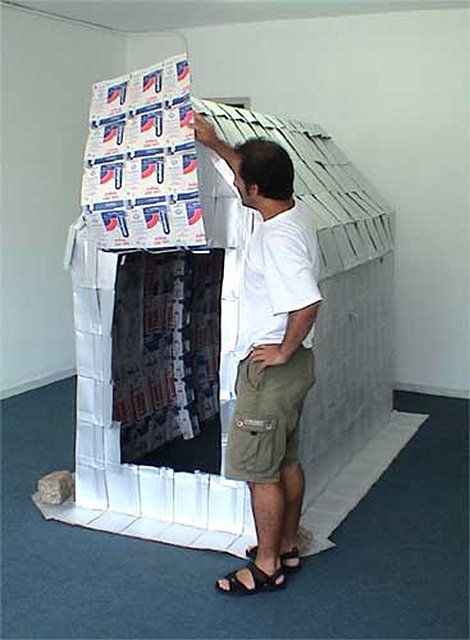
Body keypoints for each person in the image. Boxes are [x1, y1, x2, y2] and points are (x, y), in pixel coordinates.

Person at [191, 113, 323, 596]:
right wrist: (216, 144)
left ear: (253, 189)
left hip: (273, 373)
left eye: (241, 181)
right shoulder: (292, 212)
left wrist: (283, 351)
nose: (236, 185)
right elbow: (250, 174)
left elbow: (306, 303)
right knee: (285, 460)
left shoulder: (277, 239)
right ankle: (285, 545)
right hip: (293, 370)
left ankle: (266, 566)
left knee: (260, 472)